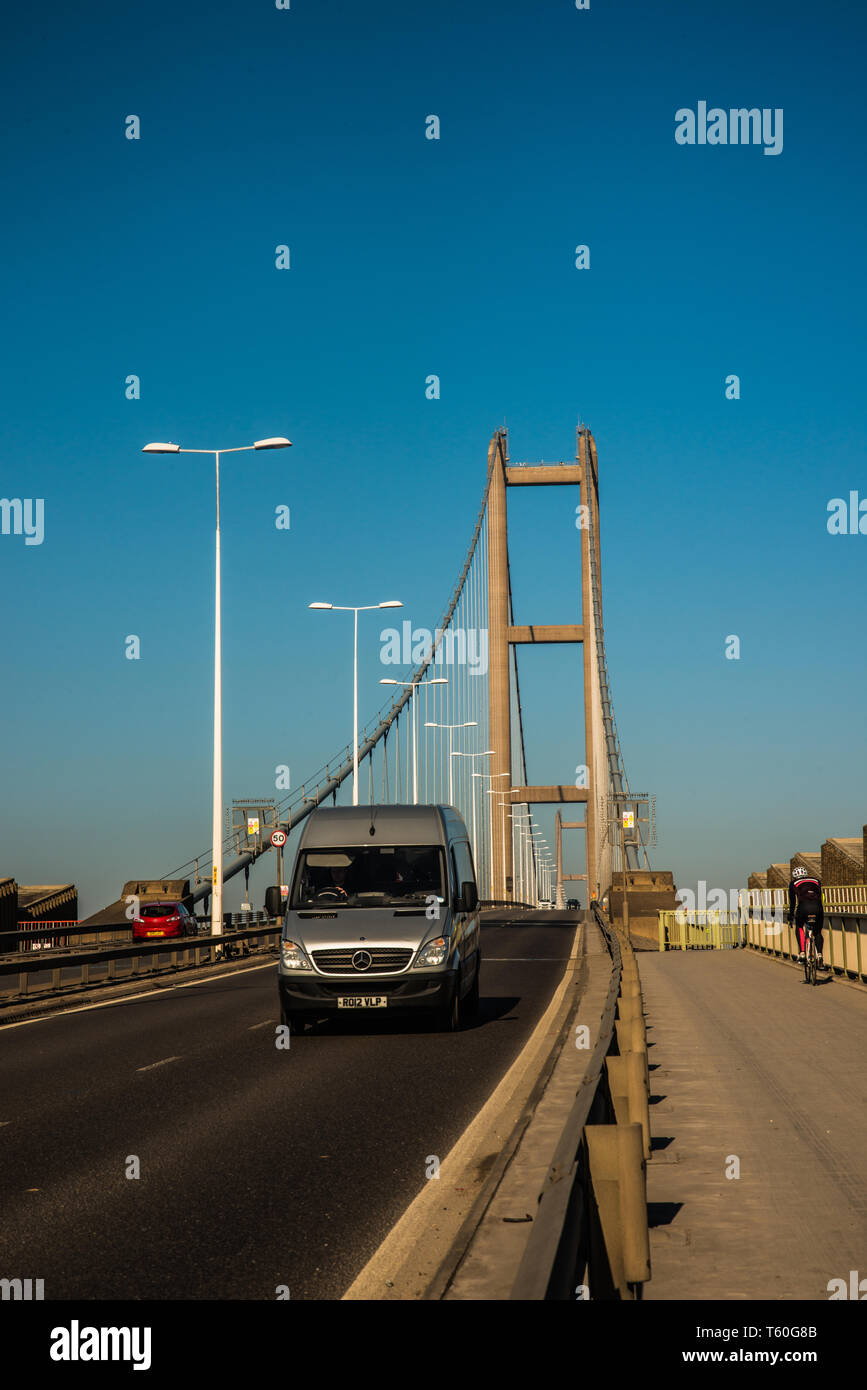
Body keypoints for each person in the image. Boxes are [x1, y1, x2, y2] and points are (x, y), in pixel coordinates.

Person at [787, 865, 826, 969]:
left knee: (799, 926)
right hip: (817, 908)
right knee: (817, 932)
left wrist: (791, 916)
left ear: (795, 876)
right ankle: (820, 956)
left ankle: (802, 952)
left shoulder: (793, 884)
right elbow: (820, 897)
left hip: (803, 907)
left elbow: (792, 902)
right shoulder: (816, 881)